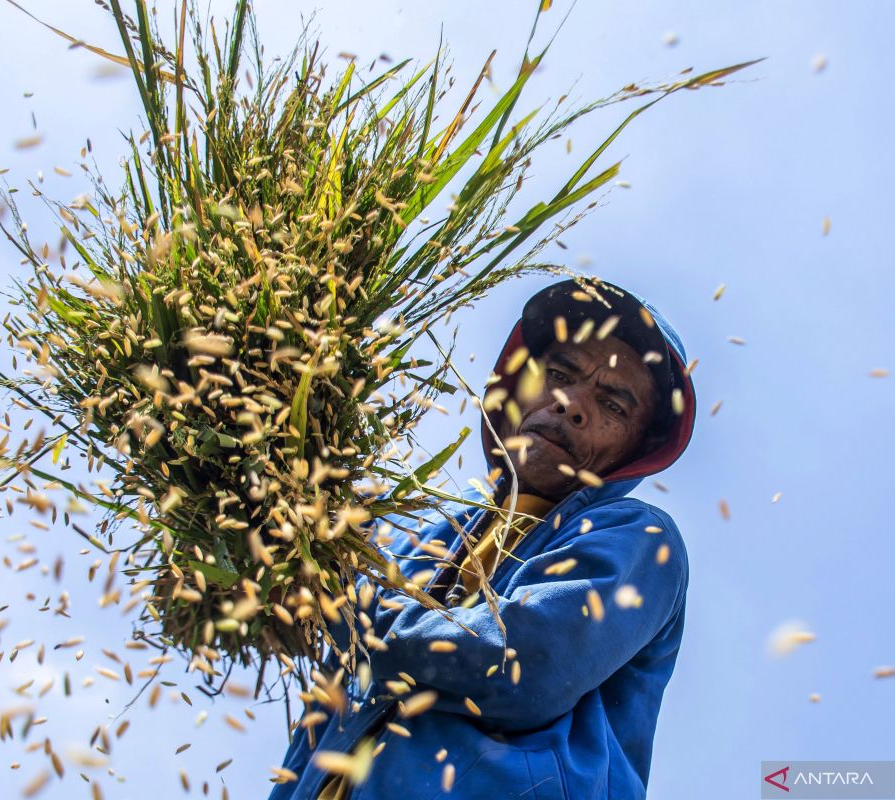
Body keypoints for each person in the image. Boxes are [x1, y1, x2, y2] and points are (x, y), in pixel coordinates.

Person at [269, 278, 697, 800]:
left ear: (638, 448)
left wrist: (339, 600)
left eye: (612, 406)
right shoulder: (413, 540)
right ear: (516, 385)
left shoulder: (638, 540)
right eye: (559, 374)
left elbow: (522, 661)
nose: (571, 404)